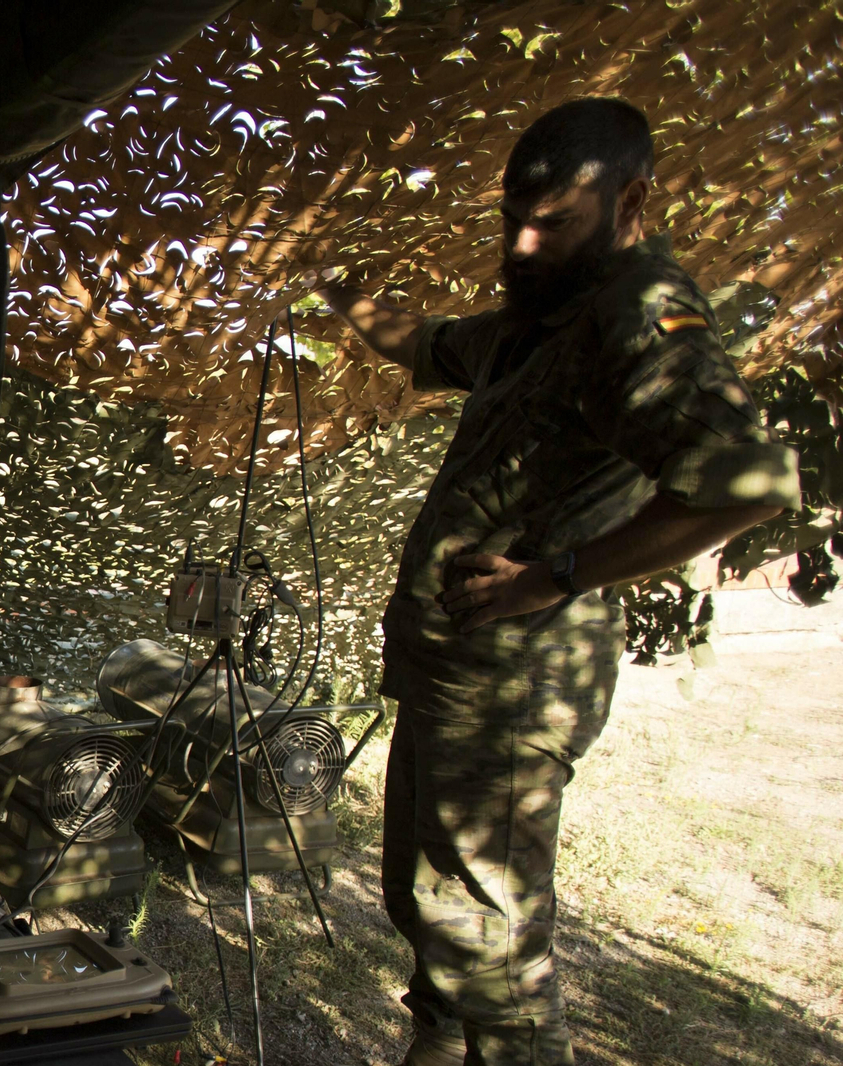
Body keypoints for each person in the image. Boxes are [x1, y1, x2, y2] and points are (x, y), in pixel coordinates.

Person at [317, 97, 801, 1066]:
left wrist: (554, 576)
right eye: (513, 220)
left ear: (630, 201)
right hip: (457, 667)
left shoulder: (638, 316)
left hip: (513, 675)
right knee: (431, 904)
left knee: (485, 937)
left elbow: (743, 486)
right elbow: (425, 344)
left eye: (555, 223)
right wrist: (338, 290)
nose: (526, 244)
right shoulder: (543, 316)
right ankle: (437, 1048)